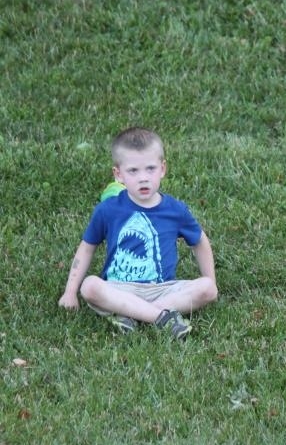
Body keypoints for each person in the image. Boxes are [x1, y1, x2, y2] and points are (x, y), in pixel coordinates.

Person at [58, 127, 218, 339]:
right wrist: (70, 292)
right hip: (118, 289)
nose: (143, 178)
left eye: (150, 169)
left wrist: (211, 279)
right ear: (119, 175)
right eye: (133, 171)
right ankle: (162, 318)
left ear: (162, 169)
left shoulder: (175, 210)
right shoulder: (108, 210)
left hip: (163, 289)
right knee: (90, 287)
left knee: (208, 288)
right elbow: (87, 248)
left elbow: (199, 241)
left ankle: (131, 313)